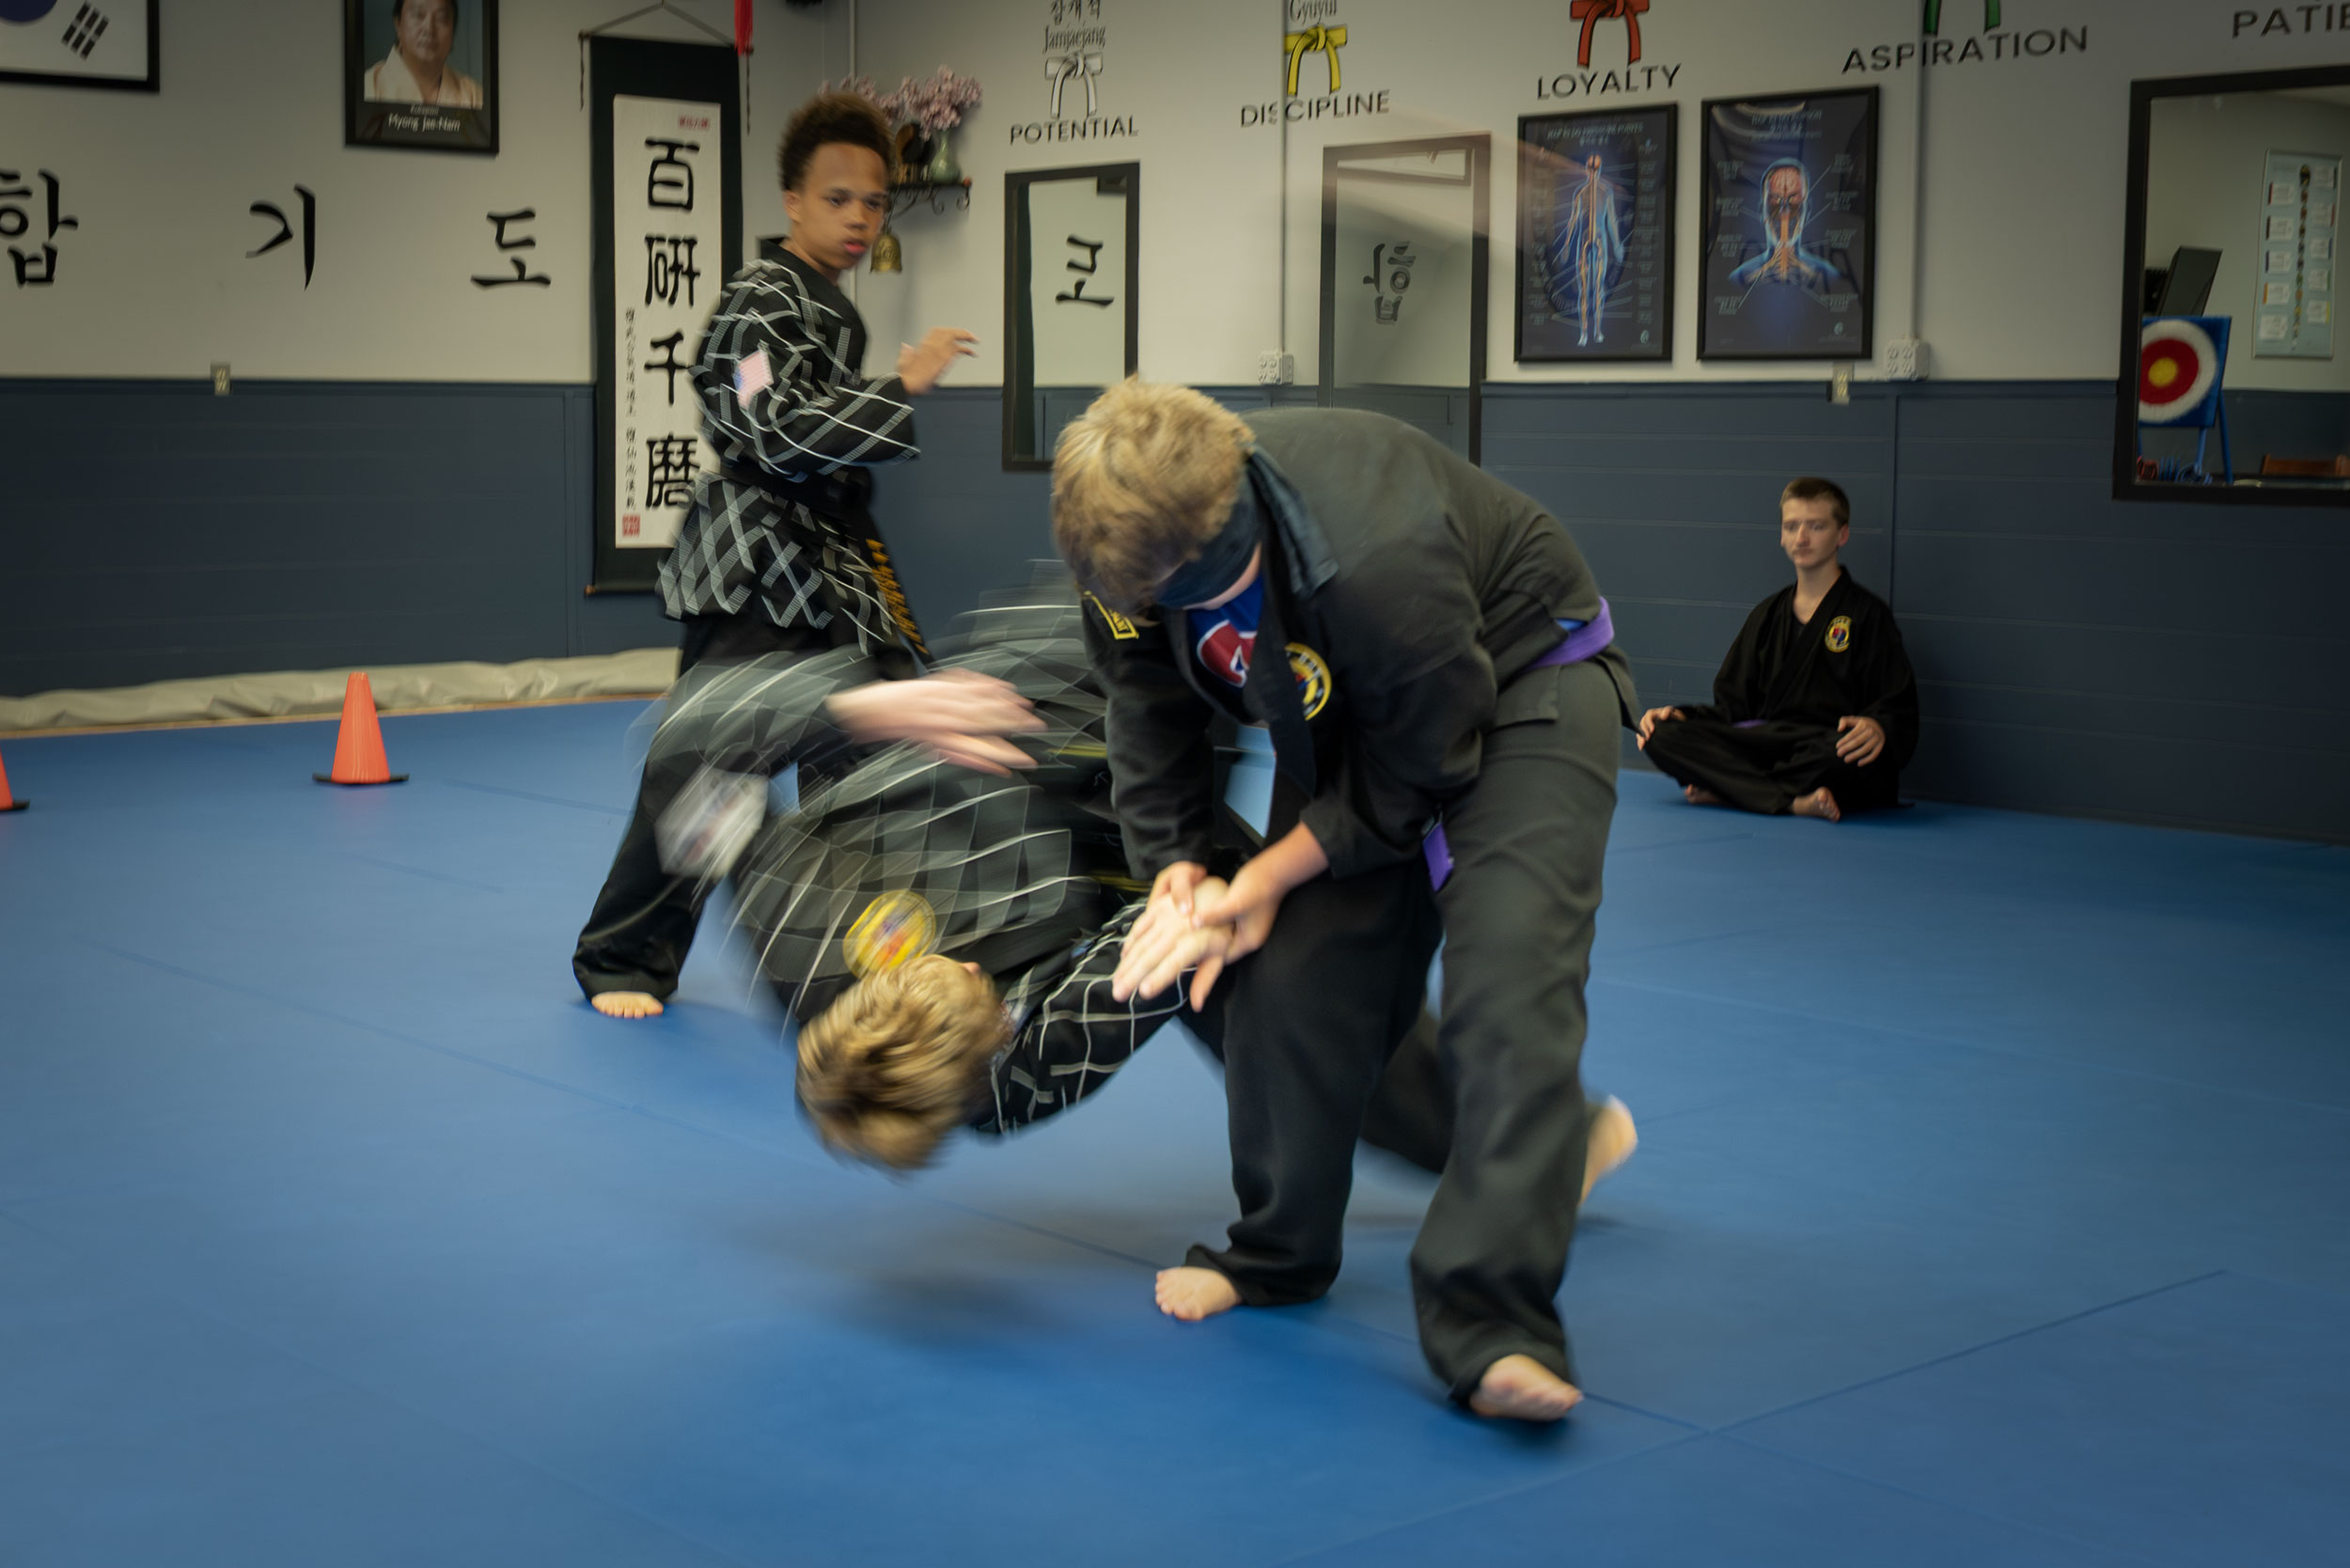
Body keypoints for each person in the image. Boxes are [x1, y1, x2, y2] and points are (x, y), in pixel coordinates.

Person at [1051, 382, 1639, 1423]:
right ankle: (1278, 1254)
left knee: (1509, 987)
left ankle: (1495, 1324)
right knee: (1288, 982)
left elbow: (1423, 767)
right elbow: (1146, 705)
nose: (1149, 609)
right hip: (1359, 711)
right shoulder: (1124, 549)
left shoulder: (1374, 551)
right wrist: (1181, 868)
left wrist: (1266, 874)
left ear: (1223, 526)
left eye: (1168, 592)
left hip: (1519, 686)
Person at [651, 578, 1637, 1195]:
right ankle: (1539, 1149)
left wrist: (860, 707)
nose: (995, 998)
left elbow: (687, 749)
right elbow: (1164, 953)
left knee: (1203, 584)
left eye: (981, 999)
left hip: (1041, 689)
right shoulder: (1014, 1078)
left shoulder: (798, 927)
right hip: (1134, 843)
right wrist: (1228, 901)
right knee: (1296, 1010)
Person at [573, 91, 981, 1021]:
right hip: (757, 566)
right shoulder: (762, 299)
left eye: (873, 203)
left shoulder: (826, 305)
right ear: (792, 200)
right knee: (711, 765)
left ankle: (858, 958)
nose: (858, 219)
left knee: (870, 757)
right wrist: (899, 387)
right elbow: (764, 425)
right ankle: (623, 954)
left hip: (828, 566)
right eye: (837, 199)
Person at [1637, 477, 1919, 823]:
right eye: (1792, 526)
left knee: (1850, 754)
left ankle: (1732, 789)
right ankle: (1792, 801)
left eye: (1816, 526)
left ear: (1841, 535)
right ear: (1782, 536)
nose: (1802, 537)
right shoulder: (1767, 615)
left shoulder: (1868, 614)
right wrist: (1683, 716)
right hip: (1765, 743)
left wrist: (1879, 726)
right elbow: (1732, 707)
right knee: (1659, 736)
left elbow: (1897, 706)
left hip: (1825, 747)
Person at [364, 0, 485, 108]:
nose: (429, 29)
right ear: (398, 24)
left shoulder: (474, 96)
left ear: (453, 32)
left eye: (441, 18)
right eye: (418, 15)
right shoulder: (368, 86)